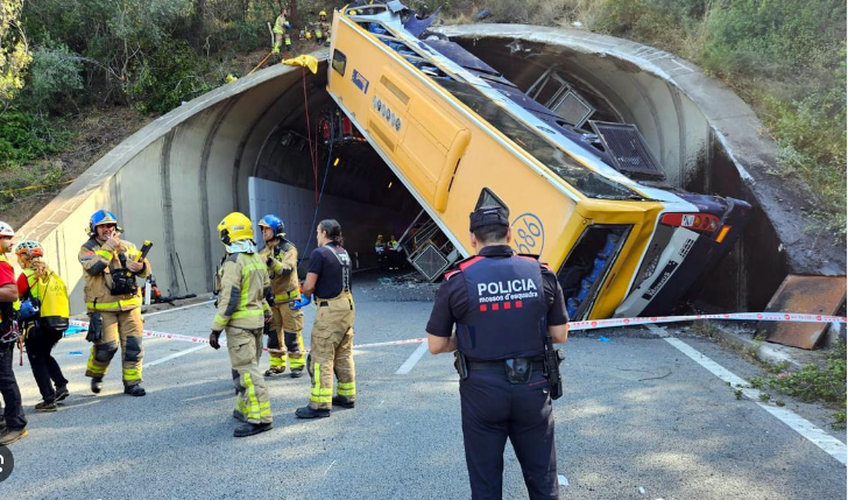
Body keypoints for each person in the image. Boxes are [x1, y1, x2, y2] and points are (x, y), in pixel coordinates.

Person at [426, 206, 569, 500]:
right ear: (510, 234)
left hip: (482, 391)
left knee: (486, 482)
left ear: (472, 239)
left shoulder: (457, 280)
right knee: (543, 479)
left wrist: (467, 338)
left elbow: (436, 344)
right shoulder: (541, 274)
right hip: (533, 387)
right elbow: (559, 335)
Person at [209, 212, 274, 437]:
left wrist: (216, 328)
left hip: (239, 325)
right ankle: (244, 407)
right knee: (249, 366)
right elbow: (264, 290)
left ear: (229, 234)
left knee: (247, 371)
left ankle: (260, 418)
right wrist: (266, 311)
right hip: (255, 322)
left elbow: (229, 299)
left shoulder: (233, 261)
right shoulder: (256, 257)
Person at [78, 210, 151, 397]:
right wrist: (109, 246)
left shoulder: (127, 246)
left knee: (134, 346)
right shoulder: (87, 249)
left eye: (110, 225)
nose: (107, 229)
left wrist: (141, 267)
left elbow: (145, 270)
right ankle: (97, 375)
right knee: (106, 347)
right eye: (102, 226)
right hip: (103, 308)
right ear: (94, 229)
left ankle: (132, 383)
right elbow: (94, 267)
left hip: (130, 304)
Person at [294, 219, 356, 418]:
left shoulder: (319, 253)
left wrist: (304, 297)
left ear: (324, 233)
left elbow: (310, 285)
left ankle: (320, 405)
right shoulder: (343, 253)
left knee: (322, 357)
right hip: (347, 305)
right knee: (343, 354)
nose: (316, 235)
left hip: (330, 309)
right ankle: (347, 396)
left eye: (318, 232)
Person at [15, 240, 70, 412]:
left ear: (25, 257)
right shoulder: (52, 274)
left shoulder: (26, 276)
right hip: (55, 324)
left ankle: (48, 399)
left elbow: (15, 299)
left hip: (36, 327)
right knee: (45, 355)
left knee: (37, 361)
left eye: (19, 256)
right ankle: (61, 385)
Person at [257, 214, 306, 378]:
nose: (263, 232)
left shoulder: (289, 249)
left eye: (267, 228)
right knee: (272, 335)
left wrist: (270, 261)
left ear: (276, 230)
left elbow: (287, 269)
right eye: (262, 229)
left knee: (292, 334)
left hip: (289, 299)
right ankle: (277, 365)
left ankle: (297, 365)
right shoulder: (262, 251)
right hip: (272, 302)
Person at [0, 221, 27, 445]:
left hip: (2, 329)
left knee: (4, 377)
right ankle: (4, 419)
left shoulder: (0, 263)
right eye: (8, 238)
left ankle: (16, 424)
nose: (11, 242)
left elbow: (11, 293)